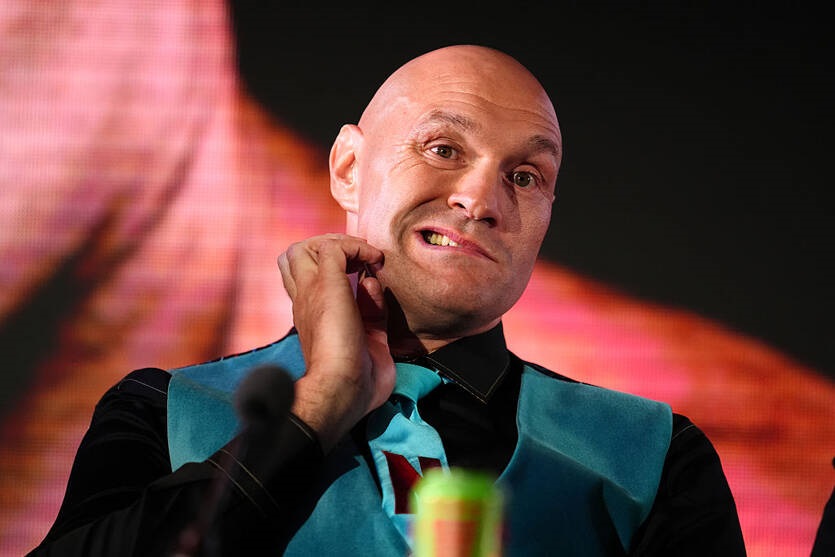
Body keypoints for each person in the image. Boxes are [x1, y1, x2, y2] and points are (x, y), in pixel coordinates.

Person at [28, 44, 746, 556]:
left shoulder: (651, 456)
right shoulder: (161, 413)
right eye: (443, 149)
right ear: (348, 167)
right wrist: (317, 408)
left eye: (525, 176)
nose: (480, 199)